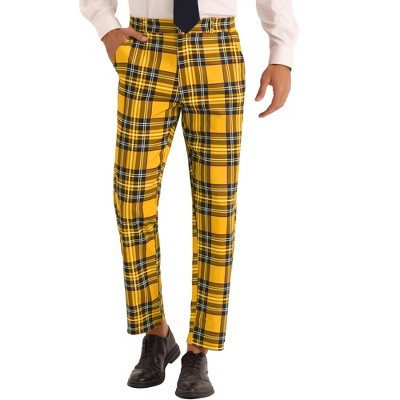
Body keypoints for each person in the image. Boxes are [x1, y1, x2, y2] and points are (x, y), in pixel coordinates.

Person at [79, 0, 299, 398]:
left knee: (217, 207)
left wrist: (281, 52)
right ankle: (156, 333)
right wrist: (105, 24)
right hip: (146, 45)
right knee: (131, 198)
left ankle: (199, 350)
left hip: (217, 48)